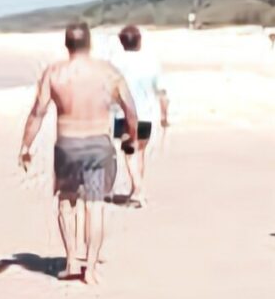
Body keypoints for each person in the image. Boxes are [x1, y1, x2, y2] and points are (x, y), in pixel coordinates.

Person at [18, 22, 141, 283]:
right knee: (94, 206)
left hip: (68, 145)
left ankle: (72, 260)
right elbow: (131, 110)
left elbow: (37, 113)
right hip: (98, 144)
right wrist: (131, 136)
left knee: (67, 202)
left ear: (66, 44)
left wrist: (26, 146)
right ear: (89, 43)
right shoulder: (109, 73)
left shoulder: (54, 73)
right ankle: (92, 268)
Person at [109, 22, 170, 204]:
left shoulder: (116, 64)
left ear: (122, 42)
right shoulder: (150, 63)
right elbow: (161, 92)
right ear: (139, 41)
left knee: (129, 153)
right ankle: (137, 188)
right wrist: (164, 115)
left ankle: (138, 190)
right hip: (146, 115)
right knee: (140, 152)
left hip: (124, 115)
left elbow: (110, 91)